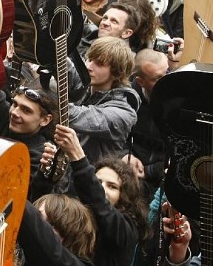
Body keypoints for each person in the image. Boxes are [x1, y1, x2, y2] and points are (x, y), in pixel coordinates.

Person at [52, 125, 148, 266]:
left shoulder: (127, 230)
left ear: (125, 196)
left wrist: (78, 156)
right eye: (98, 182)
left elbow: (101, 206)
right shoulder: (76, 215)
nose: (102, 189)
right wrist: (45, 176)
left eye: (112, 186)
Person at [67, 36, 140, 166]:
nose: (89, 66)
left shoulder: (123, 113)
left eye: (99, 64)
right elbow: (65, 66)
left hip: (90, 180)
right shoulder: (86, 85)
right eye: (89, 59)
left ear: (117, 72)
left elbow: (74, 115)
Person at [123, 48, 169, 194]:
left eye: (167, 74)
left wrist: (151, 170)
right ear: (140, 81)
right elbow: (116, 135)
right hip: (129, 170)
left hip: (163, 173)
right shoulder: (127, 98)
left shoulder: (177, 100)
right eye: (157, 78)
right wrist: (124, 155)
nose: (165, 82)